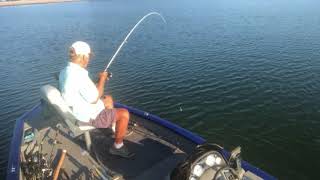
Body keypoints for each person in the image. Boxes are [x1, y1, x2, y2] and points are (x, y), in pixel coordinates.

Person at [59, 41, 134, 158]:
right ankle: (117, 147)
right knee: (124, 114)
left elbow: (81, 89)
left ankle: (112, 129)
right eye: (88, 56)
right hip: (85, 117)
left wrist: (98, 81)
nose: (89, 59)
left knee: (108, 99)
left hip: (77, 108)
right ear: (83, 56)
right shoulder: (79, 75)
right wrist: (103, 79)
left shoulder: (65, 71)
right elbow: (94, 98)